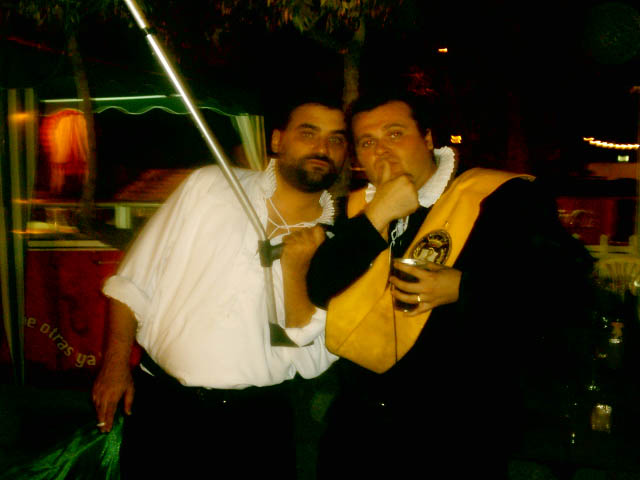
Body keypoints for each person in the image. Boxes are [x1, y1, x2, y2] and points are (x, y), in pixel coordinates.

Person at [307, 88, 594, 478]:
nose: (382, 150)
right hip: (359, 434)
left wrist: (466, 289)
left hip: (454, 438)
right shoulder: (359, 208)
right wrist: (378, 215)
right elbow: (320, 288)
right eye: (367, 142)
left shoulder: (501, 198)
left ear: (427, 139)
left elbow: (569, 291)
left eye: (395, 134)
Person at [91, 93, 348, 479]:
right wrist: (114, 367)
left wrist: (296, 270)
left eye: (336, 139)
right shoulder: (210, 186)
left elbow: (313, 358)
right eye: (308, 133)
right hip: (162, 405)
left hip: (255, 423)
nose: (322, 148)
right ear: (277, 140)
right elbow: (131, 282)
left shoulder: (339, 244)